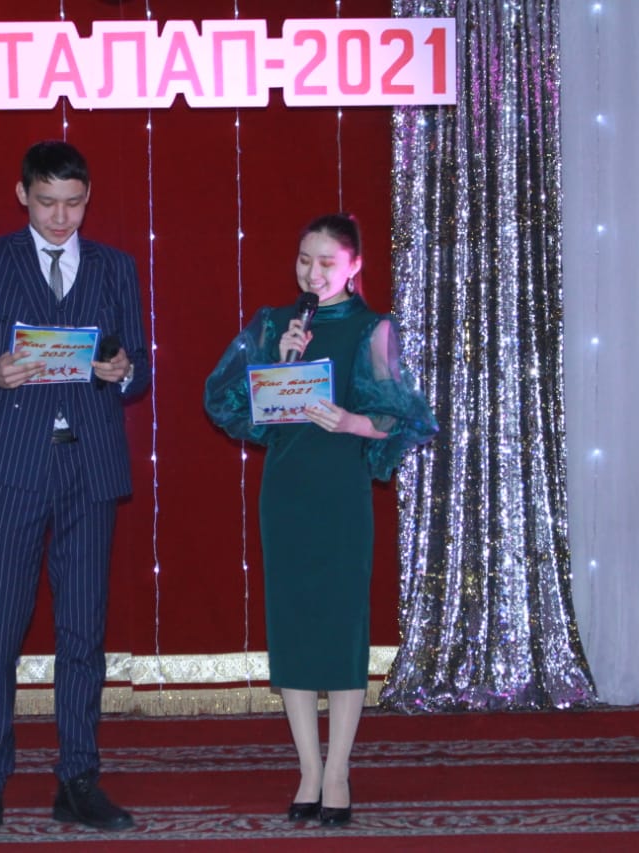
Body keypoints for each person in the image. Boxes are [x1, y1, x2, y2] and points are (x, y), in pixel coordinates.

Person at [0, 140, 149, 840]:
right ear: (22, 195)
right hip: (13, 464)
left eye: (74, 204)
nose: (61, 217)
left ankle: (77, 780)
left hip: (90, 465)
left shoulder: (116, 267)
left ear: (88, 199)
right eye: (48, 202)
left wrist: (122, 371)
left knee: (83, 632)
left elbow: (139, 371)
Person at [204, 213, 437, 827]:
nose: (313, 273)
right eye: (305, 260)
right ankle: (308, 769)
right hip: (286, 491)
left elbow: (405, 418)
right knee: (294, 629)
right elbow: (228, 403)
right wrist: (276, 364)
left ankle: (338, 771)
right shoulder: (275, 324)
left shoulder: (372, 328)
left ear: (354, 266)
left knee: (339, 628)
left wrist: (354, 421)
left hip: (340, 493)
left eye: (327, 262)